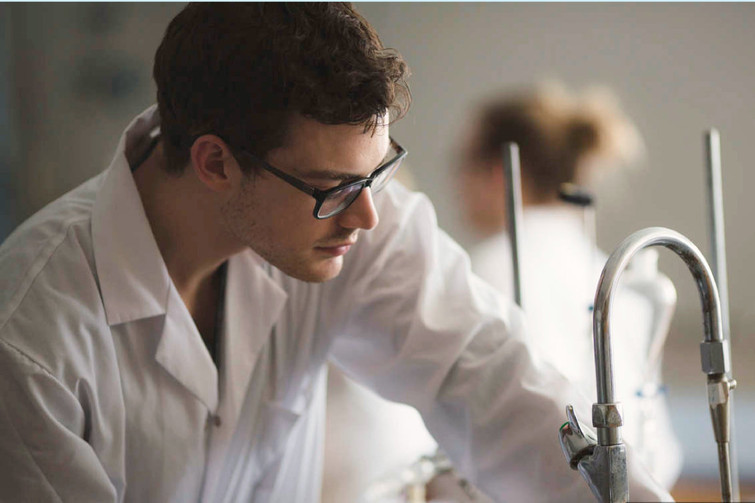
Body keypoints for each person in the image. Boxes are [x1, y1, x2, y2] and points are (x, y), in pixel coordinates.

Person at [0, 4, 672, 502]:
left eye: (376, 173)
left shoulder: (340, 224)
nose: (367, 214)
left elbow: (489, 376)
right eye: (333, 188)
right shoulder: (30, 338)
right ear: (215, 163)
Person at [456, 83, 684, 490]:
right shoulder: (616, 276)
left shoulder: (488, 269)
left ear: (496, 172)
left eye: (462, 164)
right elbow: (658, 451)